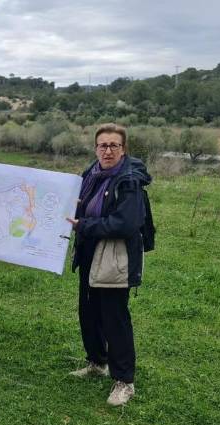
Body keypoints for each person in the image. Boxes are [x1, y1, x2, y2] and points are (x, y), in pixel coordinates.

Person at [67, 123, 152, 407]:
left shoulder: (129, 181)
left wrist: (85, 225)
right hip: (89, 249)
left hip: (114, 255)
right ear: (95, 148)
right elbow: (81, 205)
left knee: (114, 317)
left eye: (114, 145)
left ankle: (124, 381)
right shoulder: (91, 174)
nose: (107, 150)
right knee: (88, 311)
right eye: (102, 145)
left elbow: (125, 223)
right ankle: (97, 362)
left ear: (123, 149)